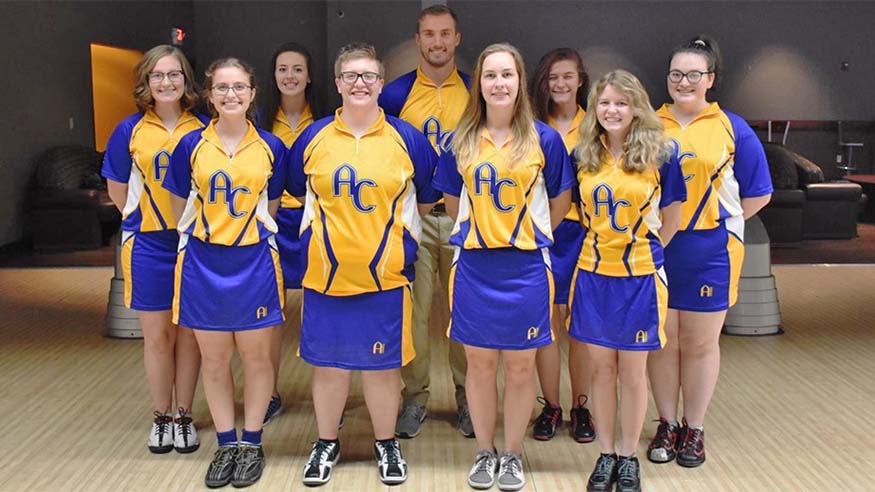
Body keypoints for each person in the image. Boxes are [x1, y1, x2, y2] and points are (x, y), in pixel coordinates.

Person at [286, 43, 440, 487]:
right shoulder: (313, 138)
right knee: (329, 366)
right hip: (327, 277)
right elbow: (296, 189)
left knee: (382, 368)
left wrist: (396, 244)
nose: (359, 84)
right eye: (351, 76)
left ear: (379, 84)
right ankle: (326, 441)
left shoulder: (406, 137)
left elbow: (427, 198)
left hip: (384, 280)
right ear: (337, 83)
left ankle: (385, 442)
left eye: (368, 77)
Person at [433, 43, 574, 491]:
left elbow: (561, 201)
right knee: (479, 366)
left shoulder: (544, 139)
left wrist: (524, 235)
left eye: (507, 75)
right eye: (490, 75)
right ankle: (484, 452)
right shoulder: (461, 140)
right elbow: (453, 203)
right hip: (475, 267)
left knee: (518, 367)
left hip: (527, 268)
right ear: (479, 83)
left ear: (519, 82)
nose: (499, 83)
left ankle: (511, 453)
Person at [646, 35, 772, 468]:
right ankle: (666, 423)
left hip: (709, 248)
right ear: (667, 79)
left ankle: (693, 427)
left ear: (710, 79)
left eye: (693, 74)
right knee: (662, 342)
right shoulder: (648, 124)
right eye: (676, 74)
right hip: (659, 247)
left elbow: (758, 194)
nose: (684, 81)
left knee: (699, 344)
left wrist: (725, 225)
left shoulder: (731, 127)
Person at [163, 57, 287, 488]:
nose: (231, 95)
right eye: (222, 88)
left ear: (253, 94)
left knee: (255, 358)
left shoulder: (272, 146)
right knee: (214, 360)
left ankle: (252, 443)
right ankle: (226, 443)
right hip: (203, 263)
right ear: (209, 95)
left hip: (253, 264)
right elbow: (181, 208)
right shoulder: (189, 146)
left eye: (239, 87)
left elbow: (270, 210)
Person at [568, 70, 685, 492]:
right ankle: (604, 453)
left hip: (640, 278)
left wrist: (643, 252)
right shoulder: (582, 154)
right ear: (594, 109)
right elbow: (577, 215)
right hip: (594, 274)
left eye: (621, 103)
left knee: (633, 372)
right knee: (600, 370)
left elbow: (672, 219)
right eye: (604, 103)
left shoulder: (662, 154)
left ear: (637, 107)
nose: (612, 111)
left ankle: (628, 455)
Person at [101, 44, 205, 456]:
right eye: (157, 76)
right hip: (149, 243)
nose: (166, 82)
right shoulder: (128, 130)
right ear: (145, 82)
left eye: (174, 74)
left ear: (186, 80)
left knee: (190, 337)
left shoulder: (203, 129)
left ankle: (184, 415)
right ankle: (161, 416)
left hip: (191, 244)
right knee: (157, 337)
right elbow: (118, 191)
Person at [378, 4, 473, 439]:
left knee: (465, 314)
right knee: (413, 317)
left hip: (463, 221)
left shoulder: (476, 92)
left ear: (457, 39)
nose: (437, 42)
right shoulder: (395, 96)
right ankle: (414, 397)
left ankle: (469, 397)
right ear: (418, 41)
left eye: (445, 34)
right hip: (415, 219)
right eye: (428, 34)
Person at [528, 47, 595, 443]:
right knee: (548, 326)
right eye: (553, 78)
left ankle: (581, 406)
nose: (560, 84)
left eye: (567, 77)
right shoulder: (534, 127)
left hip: (583, 236)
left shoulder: (597, 126)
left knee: (581, 328)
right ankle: (551, 405)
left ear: (581, 80)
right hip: (544, 236)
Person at [259, 42, 320, 426]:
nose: (290, 76)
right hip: (272, 221)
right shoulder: (260, 122)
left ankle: (325, 394)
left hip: (313, 223)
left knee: (320, 311)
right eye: (283, 69)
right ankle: (269, 393)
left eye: (298, 69)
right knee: (270, 315)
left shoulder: (328, 121)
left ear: (309, 76)